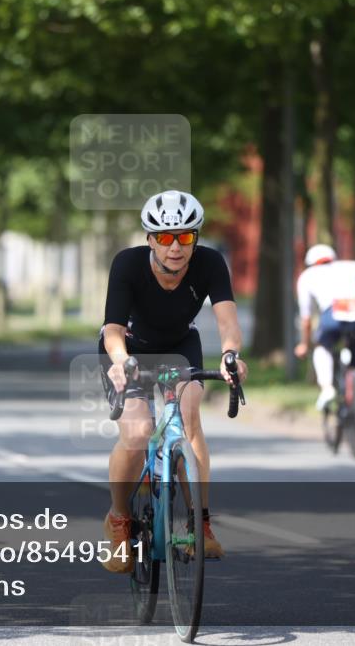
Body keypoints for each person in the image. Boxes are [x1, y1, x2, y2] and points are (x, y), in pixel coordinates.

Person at [99, 190, 248, 573]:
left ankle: (201, 523)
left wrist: (230, 355)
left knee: (189, 415)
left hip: (179, 348)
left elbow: (228, 324)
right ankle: (118, 520)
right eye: (165, 238)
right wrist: (120, 361)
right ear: (149, 238)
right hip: (129, 352)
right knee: (137, 432)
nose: (175, 247)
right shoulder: (128, 264)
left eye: (184, 237)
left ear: (196, 238)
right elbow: (113, 329)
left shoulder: (211, 263)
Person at [294, 244, 355, 415]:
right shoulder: (347, 266)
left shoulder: (306, 277)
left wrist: (304, 344)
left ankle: (327, 388)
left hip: (332, 314)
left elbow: (306, 320)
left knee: (322, 347)